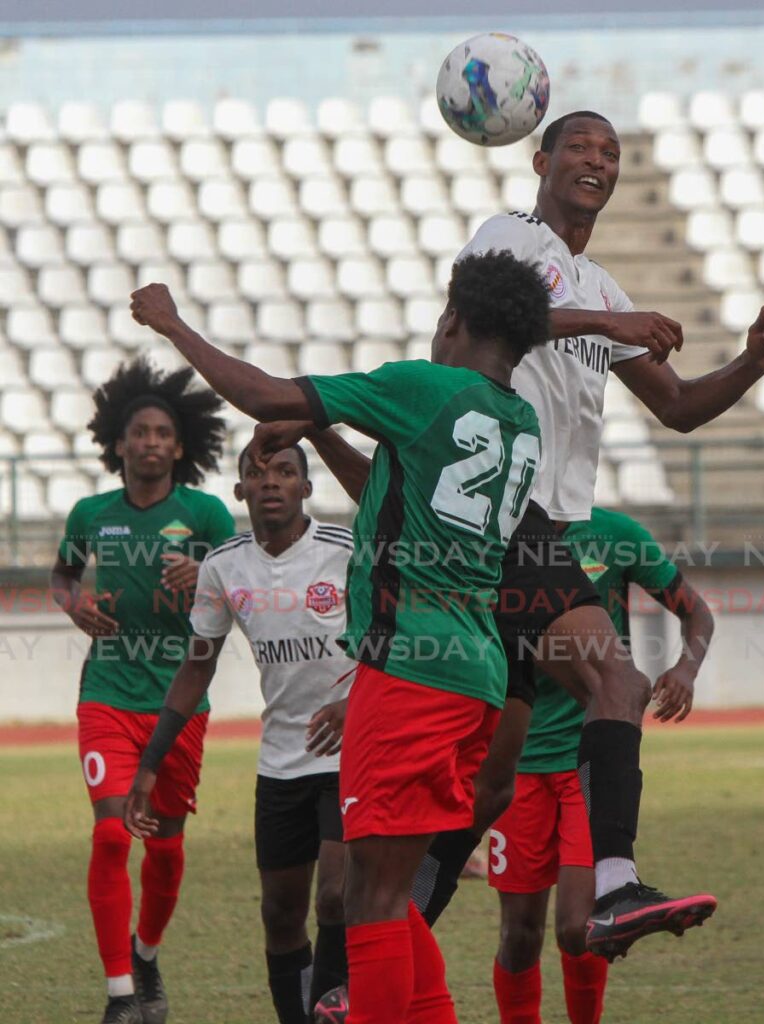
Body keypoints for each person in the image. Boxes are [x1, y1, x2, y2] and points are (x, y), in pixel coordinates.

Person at [407, 109, 764, 960]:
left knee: (486, 785)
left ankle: (366, 956)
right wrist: (602, 326)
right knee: (615, 684)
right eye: (580, 146)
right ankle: (615, 888)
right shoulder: (507, 235)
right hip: (497, 516)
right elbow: (474, 327)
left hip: (541, 524)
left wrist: (751, 364)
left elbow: (680, 408)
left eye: (611, 153)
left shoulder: (603, 286)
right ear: (540, 158)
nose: (597, 160)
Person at [128, 249, 552, 1024]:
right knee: (385, 888)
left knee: (372, 899)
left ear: (451, 319)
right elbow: (398, 493)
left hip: (408, 673)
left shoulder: (425, 387)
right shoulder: (520, 420)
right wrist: (324, 430)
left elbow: (261, 395)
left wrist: (171, 325)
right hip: (475, 675)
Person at [124, 439, 355, 1023]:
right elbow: (198, 663)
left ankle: (334, 1012)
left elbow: (397, 639)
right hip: (280, 761)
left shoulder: (346, 551)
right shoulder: (225, 566)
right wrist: (151, 761)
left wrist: (357, 704)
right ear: (241, 491)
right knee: (280, 914)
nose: (271, 481)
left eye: (284, 472)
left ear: (306, 487)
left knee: (335, 896)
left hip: (351, 754)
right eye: (257, 473)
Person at [50, 357, 235, 1024]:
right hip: (106, 692)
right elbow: (63, 576)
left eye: (162, 433)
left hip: (179, 705)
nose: (151, 442)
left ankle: (147, 953)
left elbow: (242, 587)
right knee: (109, 839)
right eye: (140, 433)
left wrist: (207, 573)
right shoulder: (90, 513)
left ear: (180, 446)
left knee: (165, 848)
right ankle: (121, 994)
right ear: (119, 444)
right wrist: (72, 605)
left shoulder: (207, 514)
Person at [488, 506, 714, 1023]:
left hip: (584, 762)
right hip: (515, 762)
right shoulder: (491, 529)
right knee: (518, 936)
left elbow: (697, 612)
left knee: (576, 928)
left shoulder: (614, 534)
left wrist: (686, 667)